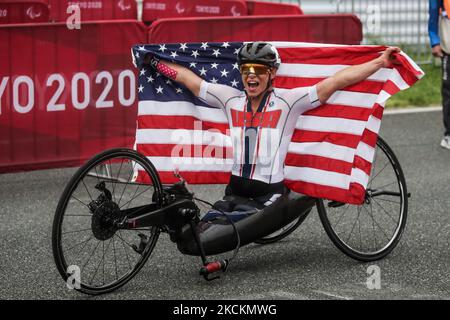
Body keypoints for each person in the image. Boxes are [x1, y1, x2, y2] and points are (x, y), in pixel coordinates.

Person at [147, 42, 400, 213]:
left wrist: (380, 62)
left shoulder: (289, 102)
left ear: (272, 74)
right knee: (195, 221)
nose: (251, 76)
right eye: (246, 70)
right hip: (234, 189)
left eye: (258, 70)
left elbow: (337, 81)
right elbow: (188, 79)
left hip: (267, 194)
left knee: (217, 233)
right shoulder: (229, 98)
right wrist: (153, 62)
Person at [429, 0, 450, 149]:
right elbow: (433, 13)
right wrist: (434, 41)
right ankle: (449, 134)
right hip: (448, 48)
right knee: (448, 91)